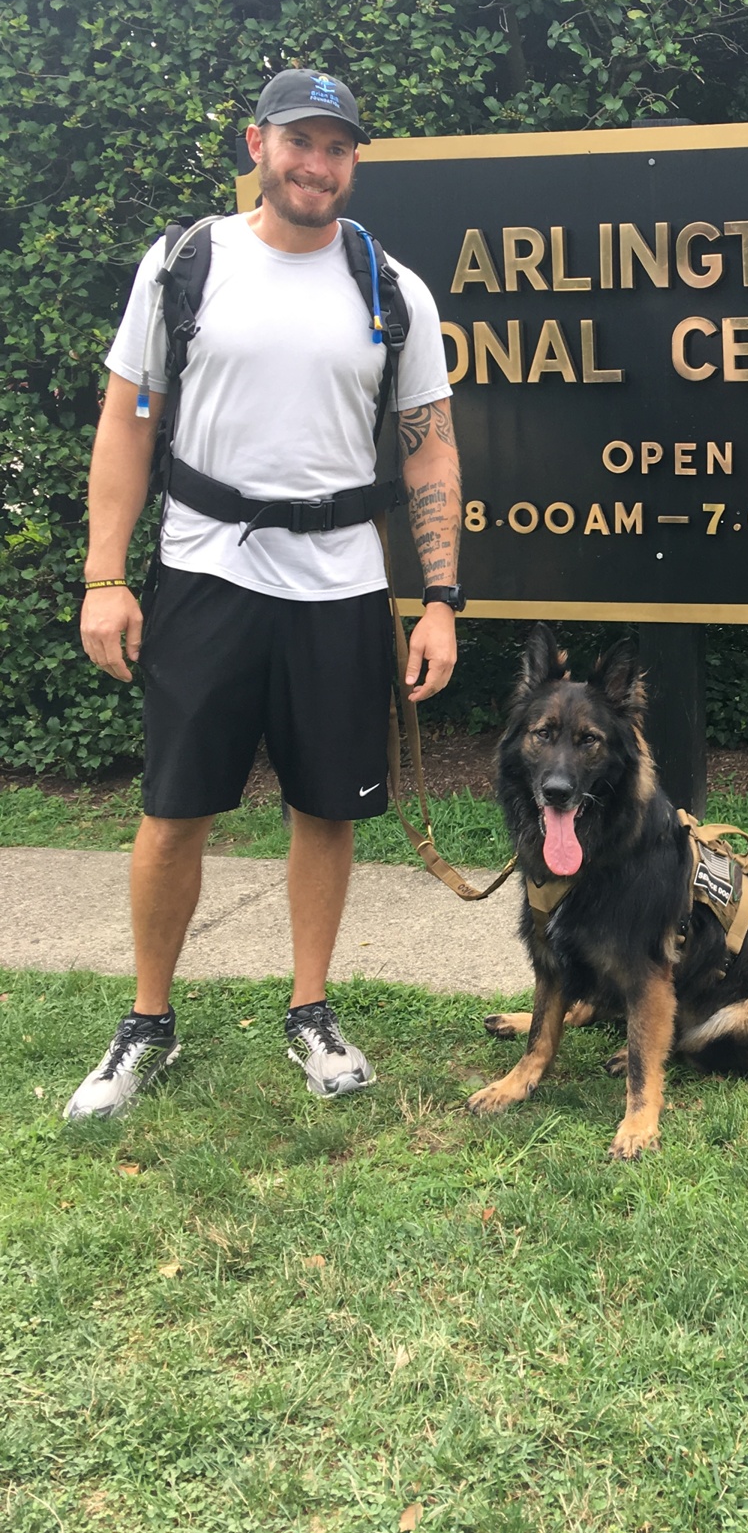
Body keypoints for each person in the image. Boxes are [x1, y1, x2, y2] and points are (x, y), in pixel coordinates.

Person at [68, 69, 463, 1118]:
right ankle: (148, 1020)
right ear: (256, 143)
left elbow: (429, 453)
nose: (316, 163)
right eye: (299, 141)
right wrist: (105, 575)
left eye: (337, 147)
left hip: (340, 584)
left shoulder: (392, 288)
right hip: (205, 571)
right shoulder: (186, 265)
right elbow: (127, 422)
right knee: (174, 807)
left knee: (325, 806)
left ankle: (312, 1008)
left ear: (354, 162)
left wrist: (439, 599)